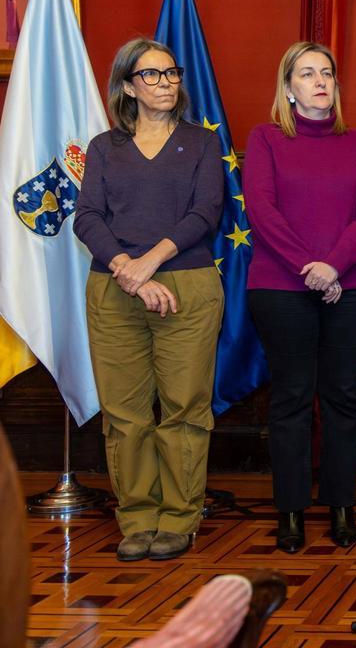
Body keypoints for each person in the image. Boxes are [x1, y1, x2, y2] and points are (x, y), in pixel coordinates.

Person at [75, 38, 224, 561]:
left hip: (187, 286)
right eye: (152, 75)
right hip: (115, 291)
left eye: (171, 73)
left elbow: (205, 213)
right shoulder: (103, 148)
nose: (166, 83)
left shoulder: (203, 144)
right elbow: (87, 217)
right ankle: (136, 517)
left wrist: (149, 262)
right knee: (125, 413)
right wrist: (128, 271)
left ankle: (180, 519)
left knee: (184, 409)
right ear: (127, 86)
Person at [244, 41, 356, 553]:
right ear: (289, 88)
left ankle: (342, 508)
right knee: (291, 400)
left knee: (344, 398)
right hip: (281, 287)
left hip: (353, 287)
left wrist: (334, 266)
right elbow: (262, 210)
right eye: (307, 73)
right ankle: (292, 513)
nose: (321, 81)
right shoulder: (265, 139)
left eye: (327, 73)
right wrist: (314, 270)